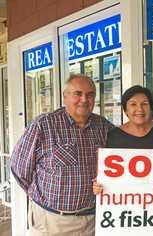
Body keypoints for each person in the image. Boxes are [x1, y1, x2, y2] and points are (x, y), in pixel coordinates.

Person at [10, 74, 113, 235]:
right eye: (78, 94)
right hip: (51, 222)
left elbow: (129, 142)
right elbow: (20, 169)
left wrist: (152, 125)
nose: (84, 99)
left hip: (91, 221)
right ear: (65, 97)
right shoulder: (43, 125)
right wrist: (40, 198)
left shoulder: (103, 126)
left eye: (90, 94)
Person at [93, 85, 153, 193]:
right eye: (133, 104)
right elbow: (108, 176)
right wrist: (100, 185)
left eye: (144, 104)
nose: (139, 109)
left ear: (150, 108)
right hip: (127, 202)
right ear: (125, 110)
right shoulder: (114, 136)